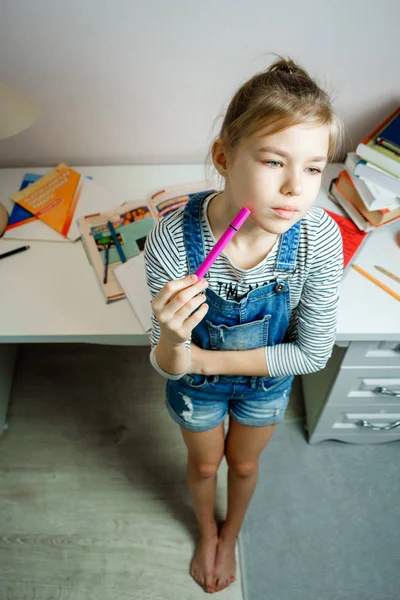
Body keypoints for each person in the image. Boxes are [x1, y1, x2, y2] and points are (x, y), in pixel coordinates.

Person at [144, 53, 344, 594]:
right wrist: (172, 334)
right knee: (206, 468)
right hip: (195, 388)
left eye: (313, 168)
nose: (295, 189)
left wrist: (204, 357)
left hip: (265, 382)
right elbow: (167, 366)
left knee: (245, 467)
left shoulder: (319, 238)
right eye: (274, 161)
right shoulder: (171, 239)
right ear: (224, 156)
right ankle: (206, 529)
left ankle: (232, 533)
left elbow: (312, 354)